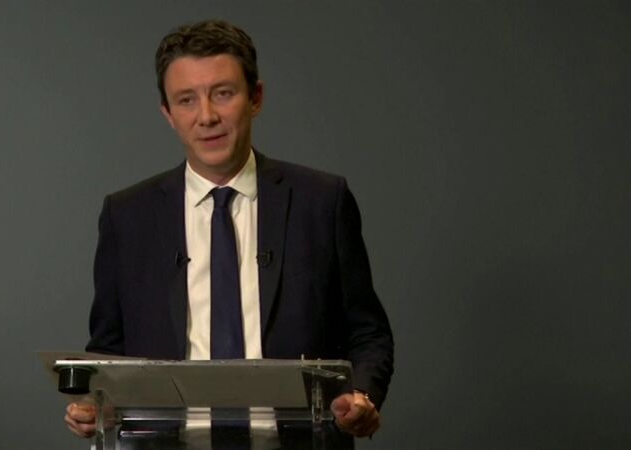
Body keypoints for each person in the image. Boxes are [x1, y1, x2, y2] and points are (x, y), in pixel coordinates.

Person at [64, 19, 394, 446]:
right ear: (168, 113)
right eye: (186, 100)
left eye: (223, 93)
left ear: (256, 98)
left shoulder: (321, 201)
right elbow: (108, 352)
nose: (207, 116)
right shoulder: (127, 216)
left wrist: (362, 396)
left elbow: (367, 332)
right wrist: (95, 403)